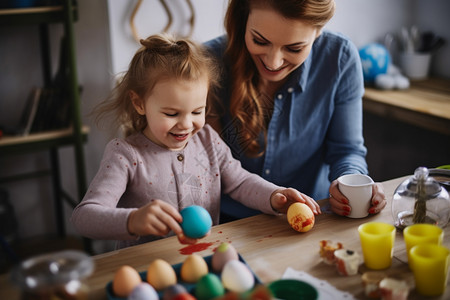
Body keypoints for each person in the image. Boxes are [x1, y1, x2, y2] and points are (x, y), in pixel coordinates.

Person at [71, 34, 320, 249]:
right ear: (139, 103)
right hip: (145, 269)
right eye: (171, 113)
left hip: (201, 258)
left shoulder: (208, 141)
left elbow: (240, 182)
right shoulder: (126, 155)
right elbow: (84, 217)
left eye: (197, 111)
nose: (186, 125)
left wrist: (274, 195)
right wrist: (132, 220)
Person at [205, 0, 386, 219]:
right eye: (259, 41)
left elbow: (347, 150)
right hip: (228, 222)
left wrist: (350, 183)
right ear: (244, 16)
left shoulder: (339, 57)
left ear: (318, 32)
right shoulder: (206, 63)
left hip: (314, 216)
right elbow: (208, 166)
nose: (273, 62)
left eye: (294, 48)